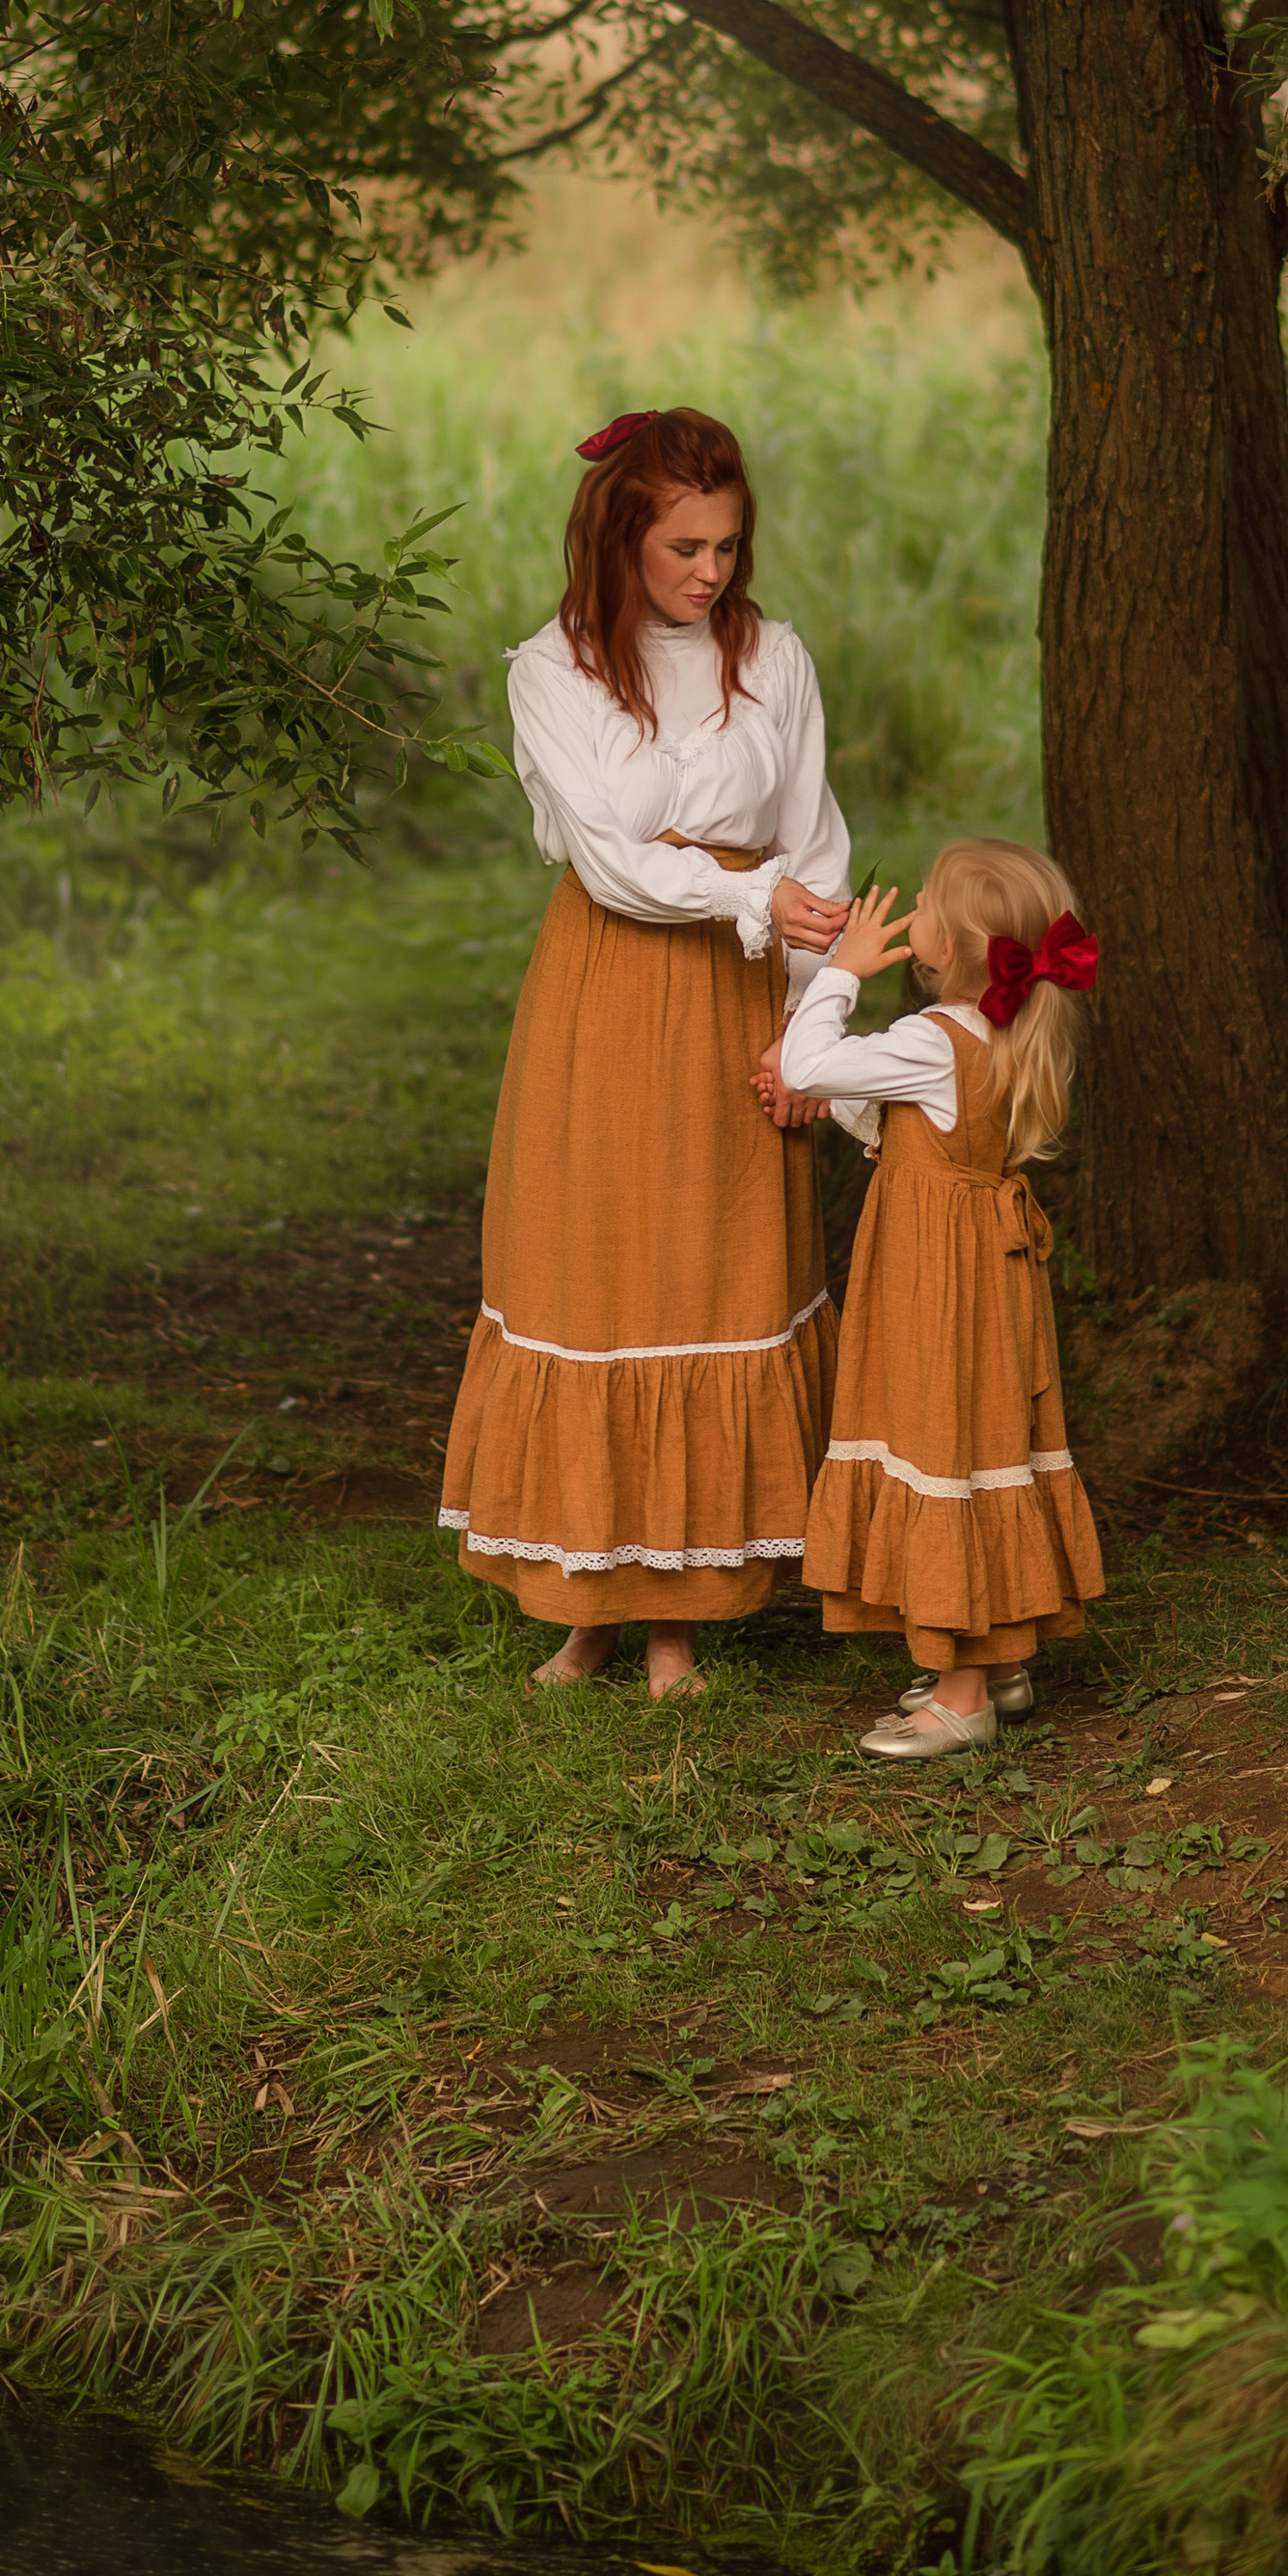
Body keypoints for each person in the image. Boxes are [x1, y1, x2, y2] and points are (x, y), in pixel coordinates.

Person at [438, 405, 852, 1699]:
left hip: (738, 992)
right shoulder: (548, 670)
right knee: (594, 1275)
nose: (710, 571)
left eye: (727, 544)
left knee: (703, 1273)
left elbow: (814, 836)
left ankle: (678, 1617)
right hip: (610, 994)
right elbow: (615, 863)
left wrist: (807, 1025)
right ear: (619, 538)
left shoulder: (771, 656)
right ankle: (587, 1605)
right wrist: (741, 898)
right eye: (683, 545)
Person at [775, 842, 1106, 1759]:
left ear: (953, 943)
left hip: (933, 1283)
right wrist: (821, 1083)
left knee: (937, 1444)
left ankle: (962, 1694)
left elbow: (814, 1066)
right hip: (987, 1282)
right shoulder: (998, 1032)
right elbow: (903, 1117)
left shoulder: (931, 1038)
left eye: (925, 899)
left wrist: (836, 979)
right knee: (983, 1441)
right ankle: (1003, 1661)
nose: (909, 903)